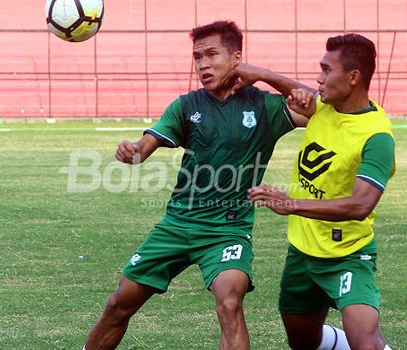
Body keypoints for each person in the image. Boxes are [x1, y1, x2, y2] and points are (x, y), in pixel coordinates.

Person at [83, 20, 315, 350]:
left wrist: (263, 73)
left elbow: (327, 108)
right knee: (119, 303)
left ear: (237, 58)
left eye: (211, 54)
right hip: (177, 225)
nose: (202, 65)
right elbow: (142, 149)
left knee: (230, 304)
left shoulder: (263, 106)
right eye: (196, 57)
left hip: (227, 231)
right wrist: (131, 150)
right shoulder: (187, 106)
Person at [247, 33, 396, 350]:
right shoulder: (325, 107)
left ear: (353, 77)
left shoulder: (377, 137)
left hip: (348, 255)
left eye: (327, 70)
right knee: (302, 341)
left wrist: (292, 204)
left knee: (365, 342)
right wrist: (261, 74)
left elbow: (360, 205)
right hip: (301, 252)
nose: (319, 77)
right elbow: (297, 92)